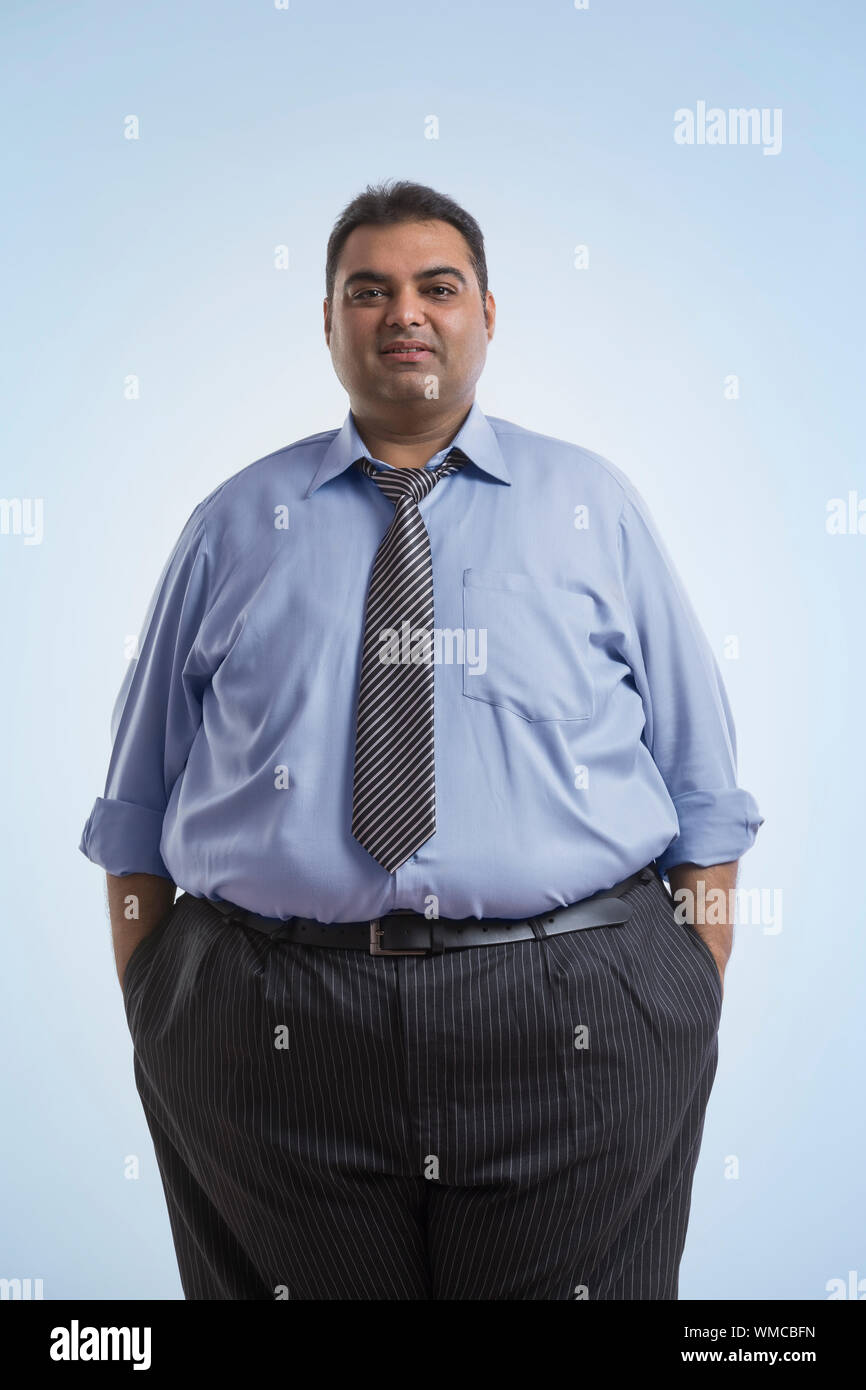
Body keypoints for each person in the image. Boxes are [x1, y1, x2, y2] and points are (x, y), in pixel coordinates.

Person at [79, 178, 764, 1300]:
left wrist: (686, 982)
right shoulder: (232, 525)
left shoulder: (591, 507)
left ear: (485, 314)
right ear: (330, 321)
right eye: (369, 290)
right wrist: (164, 998)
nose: (404, 312)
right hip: (269, 1027)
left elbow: (704, 791)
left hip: (573, 1015)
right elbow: (133, 813)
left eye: (435, 287)